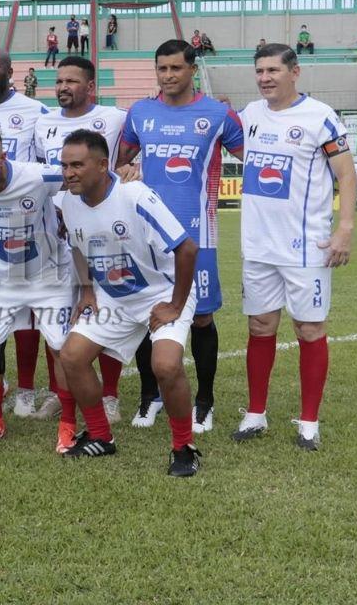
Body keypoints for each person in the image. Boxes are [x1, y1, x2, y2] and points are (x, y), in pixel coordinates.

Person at [233, 44, 356, 451]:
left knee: (308, 329)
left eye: (272, 70)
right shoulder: (250, 115)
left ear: (294, 72)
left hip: (306, 248)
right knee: (259, 326)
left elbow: (347, 174)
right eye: (259, 71)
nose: (265, 78)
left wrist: (346, 228)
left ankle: (308, 422)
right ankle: (255, 414)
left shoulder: (319, 116)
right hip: (258, 247)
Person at [117, 40, 244, 433]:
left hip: (198, 234)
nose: (168, 76)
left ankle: (204, 401)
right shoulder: (140, 113)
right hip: (147, 236)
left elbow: (249, 155)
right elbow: (122, 160)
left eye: (175, 68)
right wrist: (126, 169)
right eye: (162, 69)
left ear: (192, 69)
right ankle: (149, 395)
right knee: (146, 314)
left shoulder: (219, 114)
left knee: (202, 318)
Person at [59, 130, 201, 477]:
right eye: (64, 166)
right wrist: (88, 290)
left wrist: (175, 304)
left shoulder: (134, 194)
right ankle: (101, 437)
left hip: (161, 294)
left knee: (166, 366)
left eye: (77, 165)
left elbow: (187, 249)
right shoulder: (67, 202)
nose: (69, 173)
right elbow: (78, 247)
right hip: (113, 298)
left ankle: (184, 448)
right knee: (72, 357)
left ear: (102, 165)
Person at [0, 126, 73, 449]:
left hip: (49, 277)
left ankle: (68, 423)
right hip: (1, 278)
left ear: (2, 158)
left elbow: (80, 177)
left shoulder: (38, 177)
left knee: (61, 346)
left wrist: (123, 174)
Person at [32, 56, 128, 421]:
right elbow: (44, 175)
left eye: (71, 81)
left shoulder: (115, 118)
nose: (62, 87)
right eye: (58, 81)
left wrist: (129, 167)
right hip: (56, 235)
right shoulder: (43, 124)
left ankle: (111, 395)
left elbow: (128, 157)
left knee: (103, 309)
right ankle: (61, 392)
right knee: (54, 317)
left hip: (101, 231)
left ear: (90, 87)